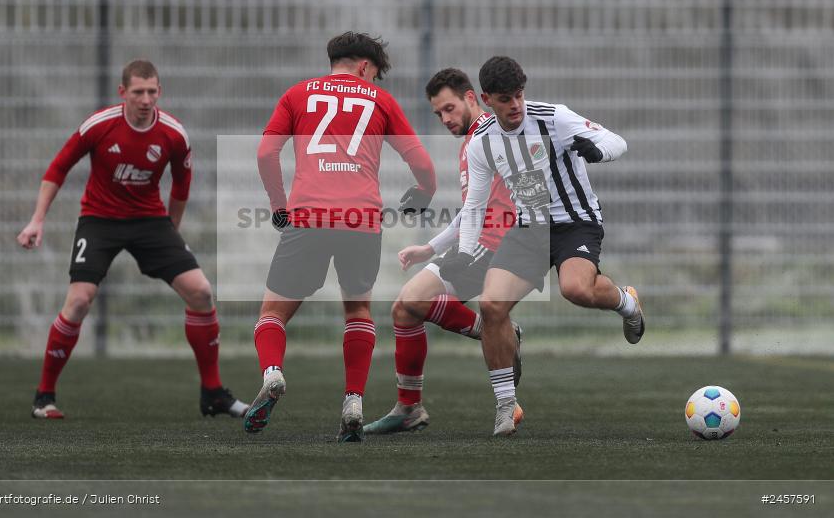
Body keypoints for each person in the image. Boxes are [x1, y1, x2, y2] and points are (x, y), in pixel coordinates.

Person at [17, 60, 248, 420]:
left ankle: (213, 393)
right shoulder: (99, 125)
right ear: (123, 92)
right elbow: (58, 168)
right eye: (138, 92)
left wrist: (171, 232)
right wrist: (37, 219)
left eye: (152, 91)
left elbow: (182, 186)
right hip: (99, 220)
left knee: (201, 292)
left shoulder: (173, 134)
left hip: (149, 222)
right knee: (79, 301)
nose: (145, 99)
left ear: (160, 91)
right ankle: (43, 397)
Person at [439, 56, 644, 436]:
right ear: (486, 100)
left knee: (575, 289)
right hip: (529, 229)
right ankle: (505, 405)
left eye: (519, 95)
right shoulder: (482, 143)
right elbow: (475, 207)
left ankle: (627, 302)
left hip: (576, 223)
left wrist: (598, 151)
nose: (515, 104)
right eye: (505, 99)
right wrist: (465, 252)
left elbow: (617, 141)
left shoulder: (554, 118)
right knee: (491, 305)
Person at [250, 32, 437, 442]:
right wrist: (424, 193)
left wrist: (280, 205)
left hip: (309, 216)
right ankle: (353, 402)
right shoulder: (381, 100)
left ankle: (273, 373)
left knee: (273, 313)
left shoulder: (297, 95)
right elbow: (422, 163)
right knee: (357, 311)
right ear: (366, 67)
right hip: (361, 219)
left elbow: (265, 153)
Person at [364, 67, 522, 435]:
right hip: (476, 241)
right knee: (404, 310)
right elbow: (471, 210)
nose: (445, 119)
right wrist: (430, 247)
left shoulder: (493, 135)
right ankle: (409, 408)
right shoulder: (471, 142)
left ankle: (498, 330)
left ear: (471, 98)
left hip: (496, 244)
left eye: (449, 109)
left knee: (413, 300)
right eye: (438, 114)